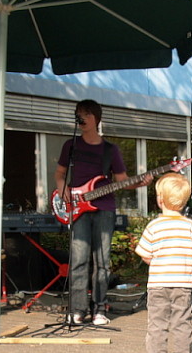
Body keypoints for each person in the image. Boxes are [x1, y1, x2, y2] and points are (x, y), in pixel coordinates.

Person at [55, 99, 146, 326]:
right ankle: (77, 309)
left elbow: (122, 181)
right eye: (79, 114)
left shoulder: (110, 150)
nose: (82, 118)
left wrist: (141, 182)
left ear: (96, 118)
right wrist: (62, 188)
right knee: (79, 260)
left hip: (104, 208)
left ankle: (99, 309)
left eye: (86, 114)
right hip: (78, 208)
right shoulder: (71, 145)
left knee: (102, 262)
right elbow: (60, 173)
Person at [134, 172, 192, 353]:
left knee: (157, 323)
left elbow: (145, 255)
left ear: (159, 199)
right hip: (182, 284)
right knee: (182, 323)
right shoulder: (190, 225)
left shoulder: (154, 225)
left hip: (158, 284)